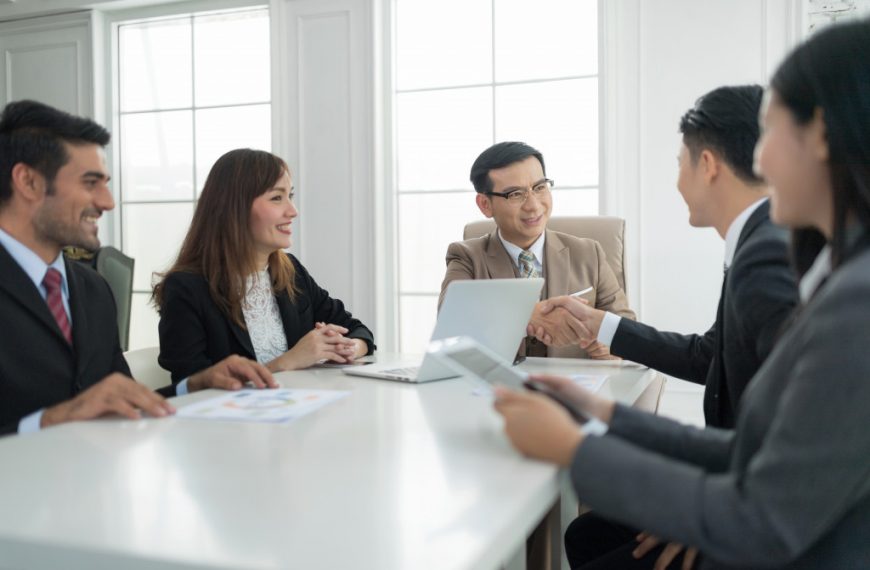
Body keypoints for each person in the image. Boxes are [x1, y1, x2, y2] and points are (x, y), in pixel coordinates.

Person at [494, 19, 870, 569]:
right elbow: (751, 443)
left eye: (769, 134)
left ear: (818, 134)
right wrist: (607, 415)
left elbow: (766, 515)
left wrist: (576, 449)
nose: (760, 161)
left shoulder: (847, 294)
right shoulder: (834, 272)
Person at [533, 84, 800, 570]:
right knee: (588, 532)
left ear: (708, 165)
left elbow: (798, 432)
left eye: (680, 163)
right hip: (739, 482)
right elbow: (710, 356)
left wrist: (701, 511)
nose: (676, 181)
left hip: (760, 514)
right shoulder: (760, 240)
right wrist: (604, 326)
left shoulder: (766, 253)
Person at [0, 101, 273, 436]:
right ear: (28, 182)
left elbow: (117, 401)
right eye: (90, 183)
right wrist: (49, 420)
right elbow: (74, 411)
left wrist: (195, 385)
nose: (107, 202)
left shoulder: (93, 290)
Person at [153, 148, 375, 392]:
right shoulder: (186, 289)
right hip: (227, 427)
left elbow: (358, 330)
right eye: (277, 198)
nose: (293, 211)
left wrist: (347, 347)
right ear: (235, 208)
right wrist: (289, 361)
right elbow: (194, 389)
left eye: (290, 196)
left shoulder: (292, 272)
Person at [440, 141, 635, 359]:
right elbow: (451, 320)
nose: (533, 205)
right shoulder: (467, 257)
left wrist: (612, 347)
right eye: (515, 194)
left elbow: (627, 328)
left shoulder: (590, 253)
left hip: (574, 388)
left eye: (540, 187)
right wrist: (527, 316)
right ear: (485, 204)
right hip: (499, 387)